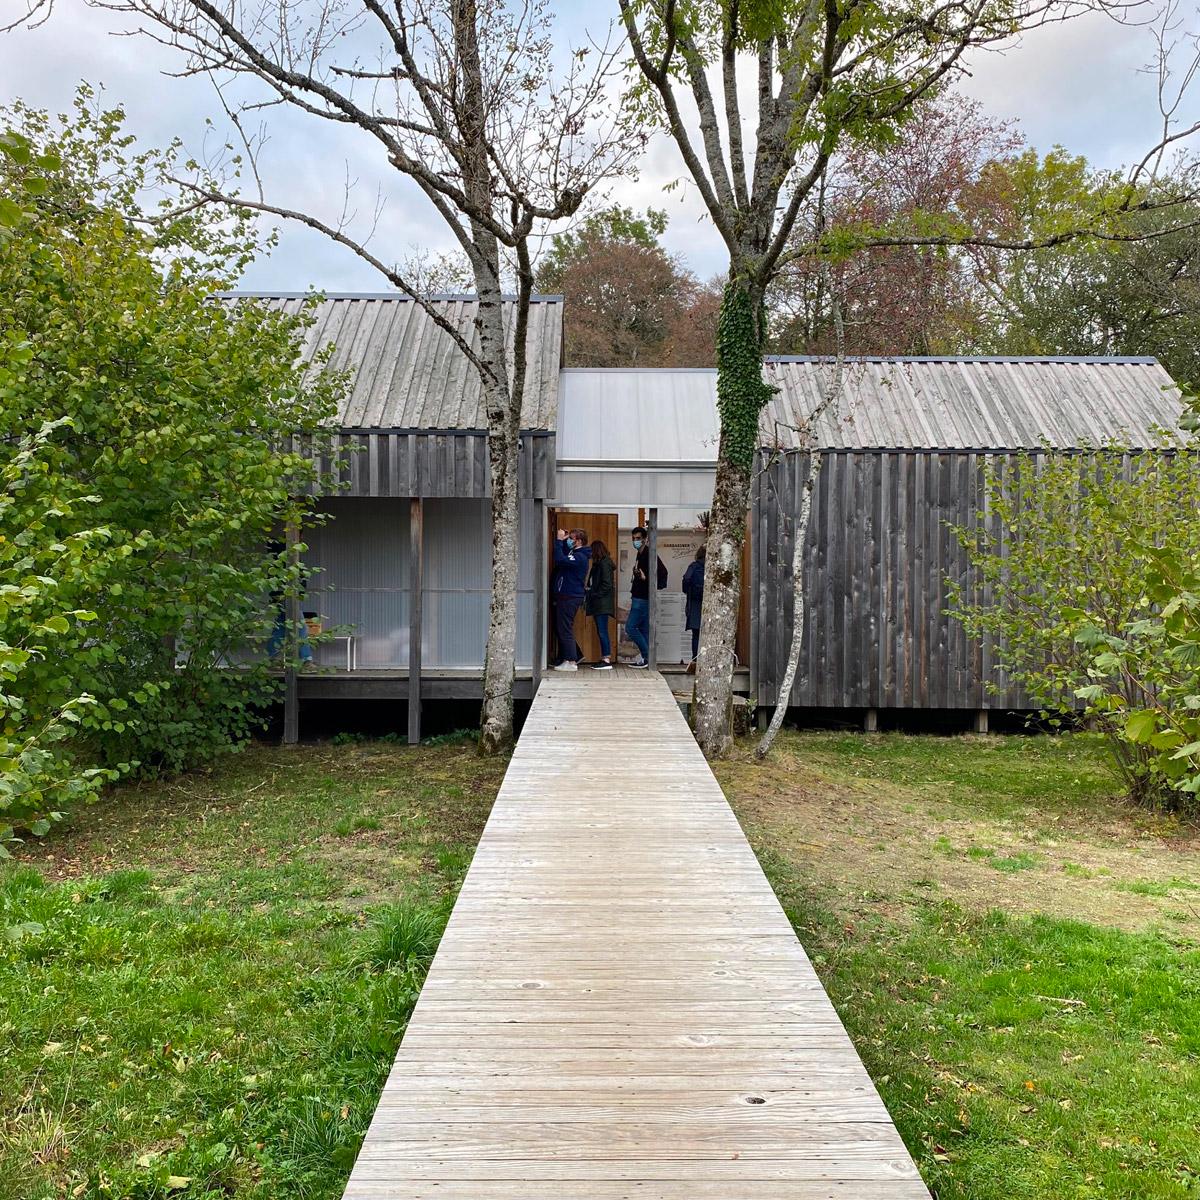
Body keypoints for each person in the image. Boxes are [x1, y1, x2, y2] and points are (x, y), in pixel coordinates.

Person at [622, 526, 666, 668]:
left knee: (630, 628)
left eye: (638, 538)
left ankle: (647, 656)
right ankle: (647, 659)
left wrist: (646, 579)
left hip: (642, 598)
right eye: (633, 538)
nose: (635, 541)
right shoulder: (640, 554)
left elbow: (663, 573)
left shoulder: (649, 554)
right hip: (640, 596)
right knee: (643, 629)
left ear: (645, 539)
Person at [266, 538, 313, 665]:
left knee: (280, 627)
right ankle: (306, 659)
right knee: (300, 625)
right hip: (287, 597)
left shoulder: (276, 562)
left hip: (282, 597)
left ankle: (274, 657)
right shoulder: (287, 560)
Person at [552, 527, 591, 671]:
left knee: (565, 629)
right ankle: (569, 658)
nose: (568, 540)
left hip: (570, 596)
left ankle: (571, 661)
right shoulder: (574, 554)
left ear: (578, 541)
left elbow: (559, 559)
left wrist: (558, 540)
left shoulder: (580, 557)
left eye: (571, 538)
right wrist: (563, 542)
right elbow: (564, 556)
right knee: (563, 628)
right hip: (567, 596)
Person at [585, 539, 616, 670]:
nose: (590, 554)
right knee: (601, 630)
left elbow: (607, 585)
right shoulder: (600, 563)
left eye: (591, 551)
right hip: (599, 602)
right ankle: (605, 657)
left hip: (601, 603)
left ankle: (606, 659)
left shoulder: (603, 564)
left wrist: (594, 593)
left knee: (602, 631)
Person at [682, 543, 706, 672]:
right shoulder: (713, 566)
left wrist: (689, 591)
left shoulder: (694, 566)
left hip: (695, 604)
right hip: (708, 603)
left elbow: (686, 580)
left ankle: (695, 659)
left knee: (696, 634)